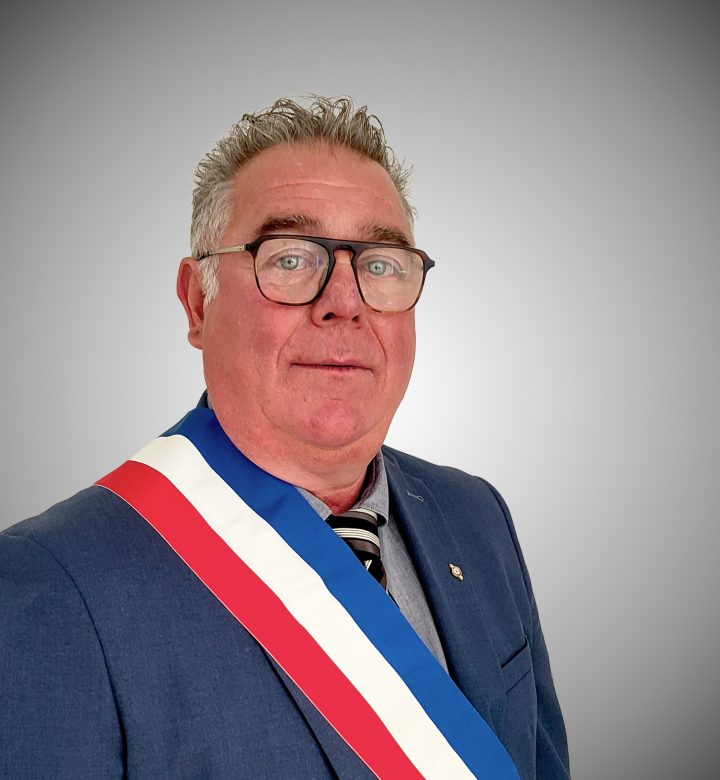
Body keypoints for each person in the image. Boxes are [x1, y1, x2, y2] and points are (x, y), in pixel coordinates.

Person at [0, 97, 569, 779]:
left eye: (380, 264)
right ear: (198, 302)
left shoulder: (476, 516)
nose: (345, 302)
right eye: (292, 258)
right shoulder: (53, 584)